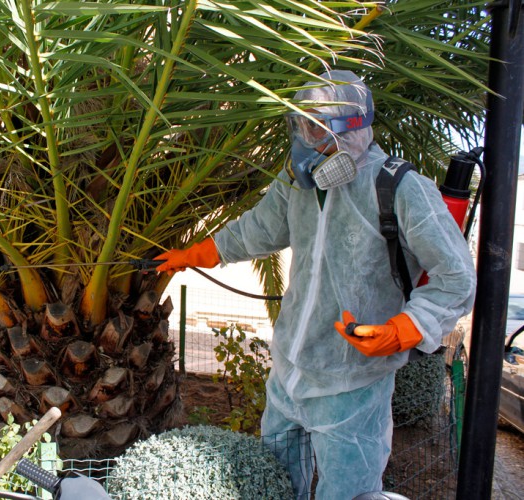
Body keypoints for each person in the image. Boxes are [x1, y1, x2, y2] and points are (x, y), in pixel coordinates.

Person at [155, 70, 476, 499]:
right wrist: (196, 254)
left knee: (348, 492)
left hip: (353, 385)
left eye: (316, 127)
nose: (305, 139)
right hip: (289, 372)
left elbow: (456, 278)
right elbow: (257, 229)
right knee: (273, 484)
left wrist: (406, 328)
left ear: (353, 130)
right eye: (301, 124)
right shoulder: (297, 184)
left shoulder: (401, 189)